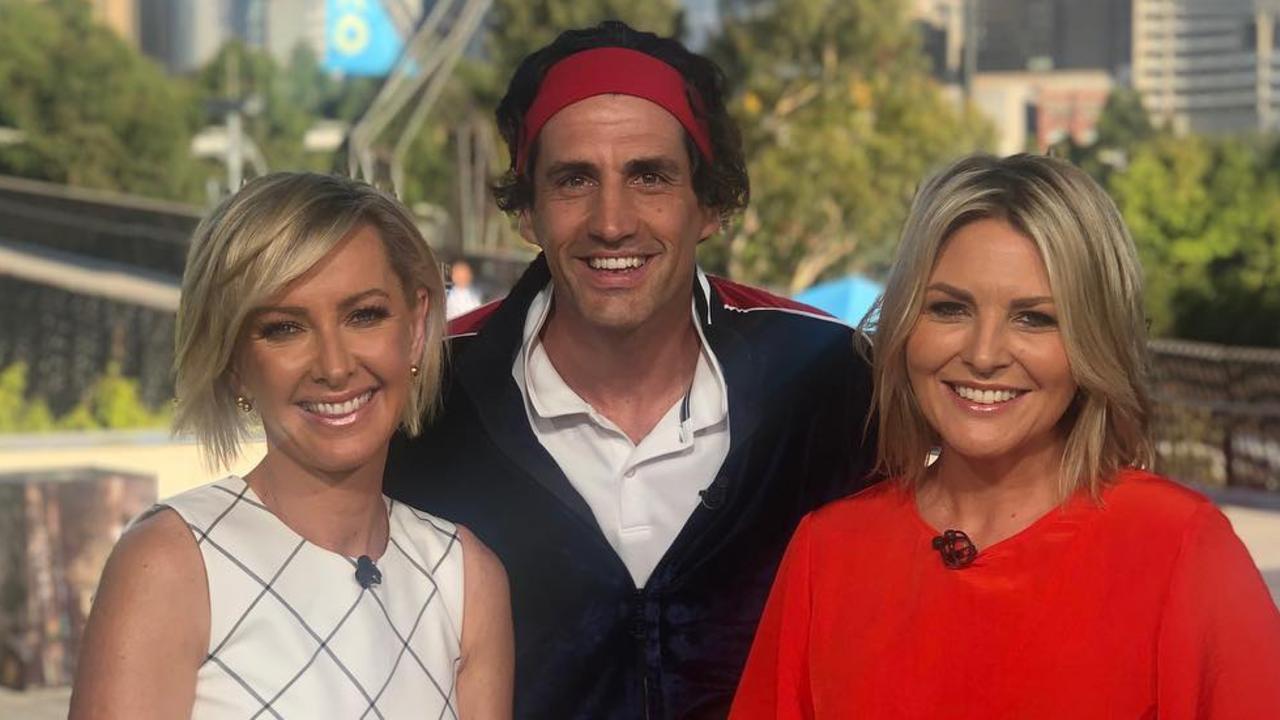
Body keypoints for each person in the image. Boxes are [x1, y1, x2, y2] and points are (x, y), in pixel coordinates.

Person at [384, 21, 877, 719]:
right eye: (574, 179)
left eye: (649, 176)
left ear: (709, 204)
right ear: (526, 211)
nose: (611, 222)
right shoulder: (426, 399)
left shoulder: (828, 381)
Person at [729, 154, 1280, 719]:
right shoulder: (828, 551)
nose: (984, 354)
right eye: (949, 308)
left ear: (1095, 339)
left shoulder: (1181, 549)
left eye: (1034, 318)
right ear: (904, 326)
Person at [70, 173, 513, 719]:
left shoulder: (466, 578)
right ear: (233, 360)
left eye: (364, 315)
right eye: (284, 328)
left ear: (417, 326)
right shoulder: (170, 566)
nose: (334, 365)